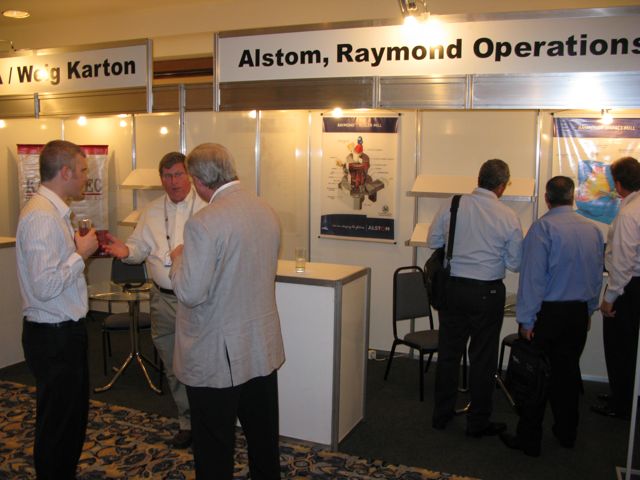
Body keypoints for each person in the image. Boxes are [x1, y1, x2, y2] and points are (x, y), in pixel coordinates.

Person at [169, 143, 285, 480]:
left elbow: (190, 293)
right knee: (263, 439)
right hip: (259, 345)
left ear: (197, 180)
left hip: (217, 353)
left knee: (214, 445)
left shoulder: (203, 223)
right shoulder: (265, 210)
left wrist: (178, 259)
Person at [104, 152, 206, 448]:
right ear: (161, 179)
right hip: (162, 299)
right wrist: (127, 251)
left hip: (198, 302)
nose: (173, 181)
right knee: (173, 365)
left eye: (178, 174)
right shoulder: (150, 212)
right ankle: (187, 421)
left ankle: (207, 419)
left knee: (200, 363)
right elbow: (138, 247)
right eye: (167, 176)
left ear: (190, 176)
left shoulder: (207, 209)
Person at [499, 176, 604, 457]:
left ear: (547, 199)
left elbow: (532, 280)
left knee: (535, 378)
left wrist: (526, 320)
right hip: (577, 313)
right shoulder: (593, 230)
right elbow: (596, 276)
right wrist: (589, 309)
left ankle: (529, 440)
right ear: (572, 197)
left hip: (548, 315)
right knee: (567, 375)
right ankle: (567, 433)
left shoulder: (542, 229)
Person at [16, 140, 99, 479]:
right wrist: (81, 254)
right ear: (65, 172)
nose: (85, 177)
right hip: (54, 337)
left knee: (69, 422)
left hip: (63, 333)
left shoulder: (52, 213)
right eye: (82, 170)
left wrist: (77, 252)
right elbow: (45, 286)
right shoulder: (41, 217)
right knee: (58, 427)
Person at [428, 158, 523, 437]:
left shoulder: (453, 204)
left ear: (478, 179)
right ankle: (477, 422)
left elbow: (433, 241)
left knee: (448, 354)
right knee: (483, 358)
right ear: (502, 186)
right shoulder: (508, 216)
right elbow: (515, 263)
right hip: (487, 292)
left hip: (453, 289)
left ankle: (441, 415)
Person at [593, 156, 640, 420]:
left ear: (619, 184)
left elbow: (623, 262)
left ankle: (621, 404)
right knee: (630, 347)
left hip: (627, 288)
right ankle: (625, 396)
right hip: (633, 286)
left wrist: (609, 297)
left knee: (619, 346)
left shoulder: (629, 214)